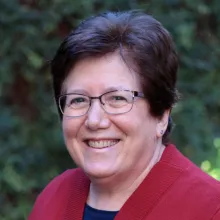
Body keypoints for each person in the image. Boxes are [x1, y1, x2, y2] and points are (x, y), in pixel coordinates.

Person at [29, 10, 220, 220]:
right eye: (78, 100)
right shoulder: (54, 198)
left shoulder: (209, 209)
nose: (94, 120)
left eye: (117, 99)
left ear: (162, 115)